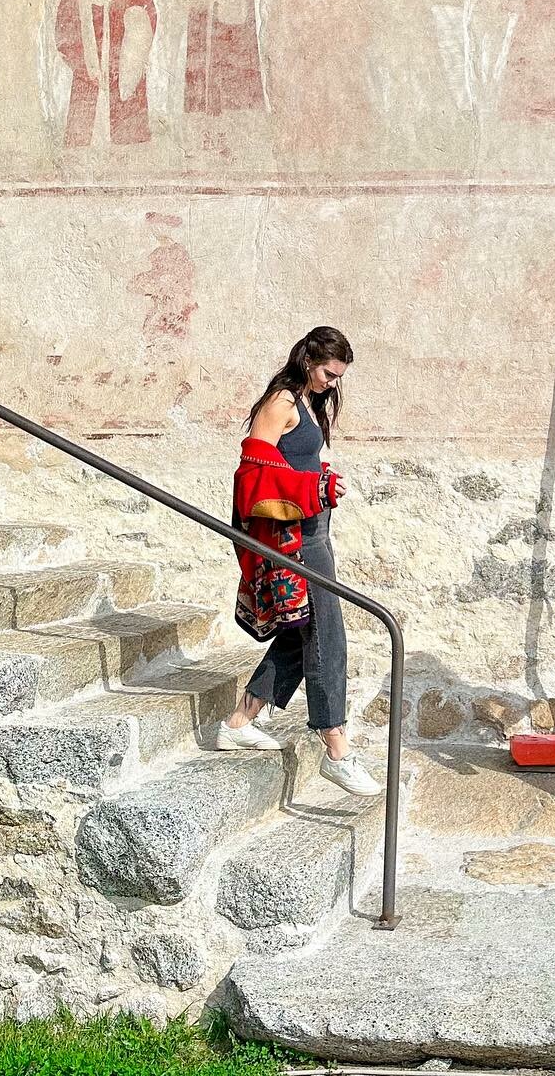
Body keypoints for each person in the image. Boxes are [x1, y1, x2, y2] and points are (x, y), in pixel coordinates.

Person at [218, 327, 383, 798]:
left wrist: (319, 477)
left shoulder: (307, 401)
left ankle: (239, 721)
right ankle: (336, 749)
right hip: (296, 539)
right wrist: (312, 488)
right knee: (327, 635)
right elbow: (251, 477)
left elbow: (291, 464)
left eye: (339, 376)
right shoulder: (282, 402)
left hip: (315, 532)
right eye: (329, 373)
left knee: (299, 631)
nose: (333, 382)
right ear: (309, 360)